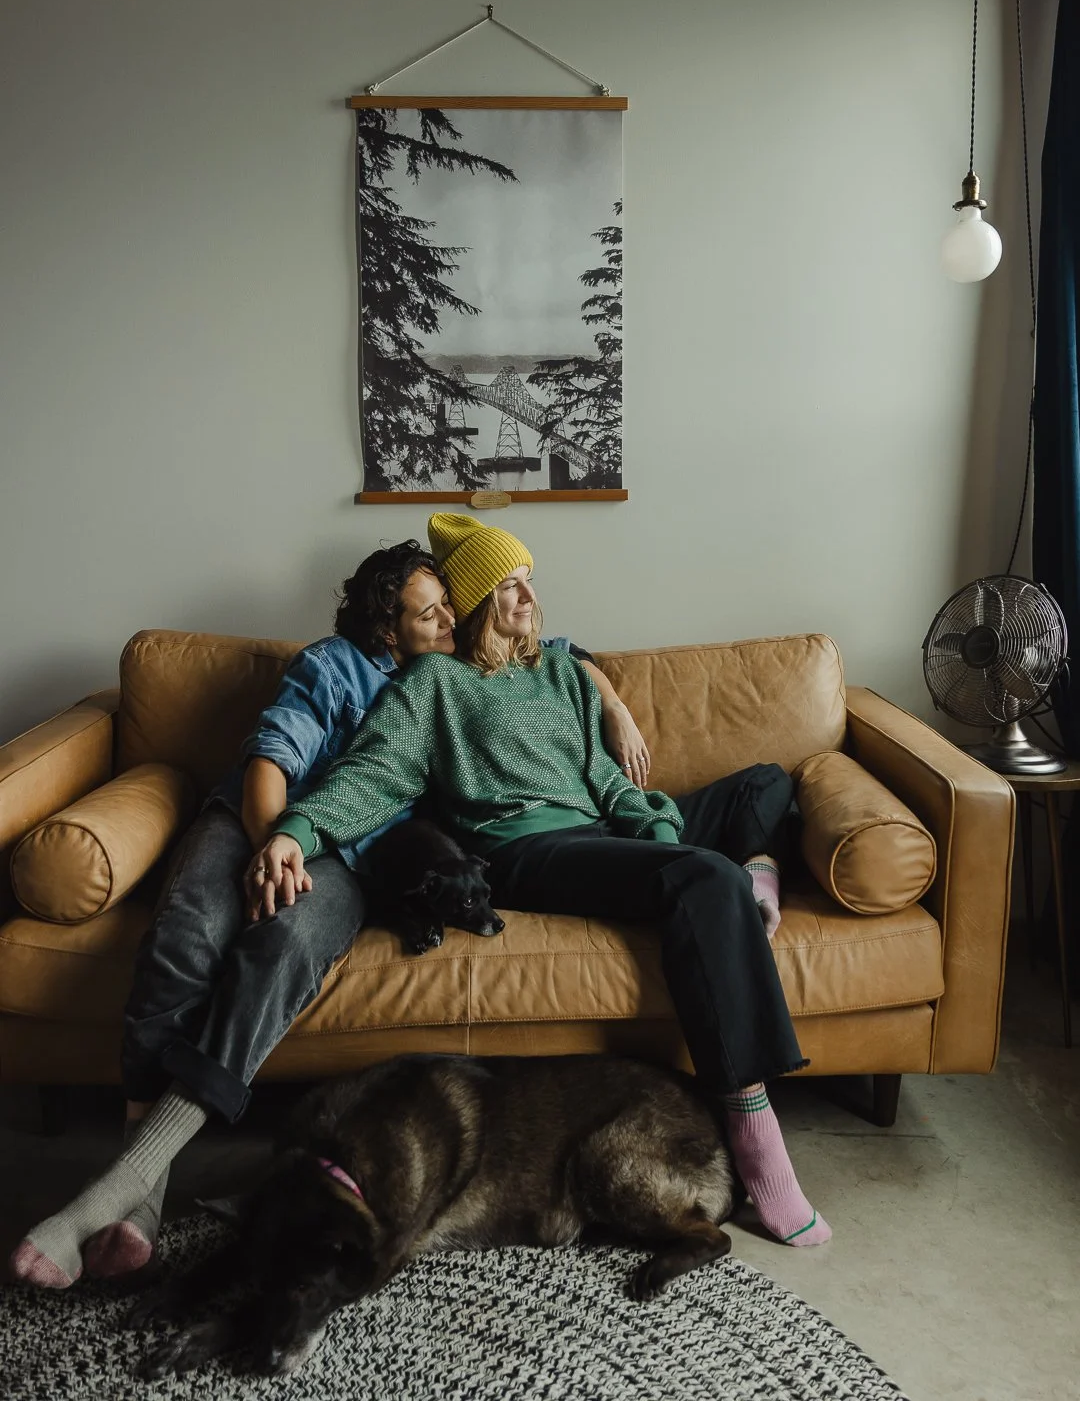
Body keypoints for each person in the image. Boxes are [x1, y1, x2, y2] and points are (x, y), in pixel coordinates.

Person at [11, 540, 648, 1289]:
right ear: (386, 628)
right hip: (262, 820)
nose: (449, 620)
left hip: (350, 855)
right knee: (187, 941)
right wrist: (270, 847)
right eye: (429, 612)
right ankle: (136, 1200)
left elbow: (556, 646)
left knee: (282, 949)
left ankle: (120, 1194)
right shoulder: (336, 664)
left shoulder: (452, 678)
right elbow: (274, 759)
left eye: (450, 605)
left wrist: (611, 700)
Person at [250, 514, 830, 1247]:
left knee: (742, 817)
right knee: (705, 881)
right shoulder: (434, 681)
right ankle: (753, 1130)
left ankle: (753, 879)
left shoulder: (558, 673)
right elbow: (374, 772)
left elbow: (607, 781)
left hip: (598, 831)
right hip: (523, 849)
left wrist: (651, 826)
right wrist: (294, 832)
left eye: (529, 581)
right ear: (473, 604)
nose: (528, 597)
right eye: (508, 586)